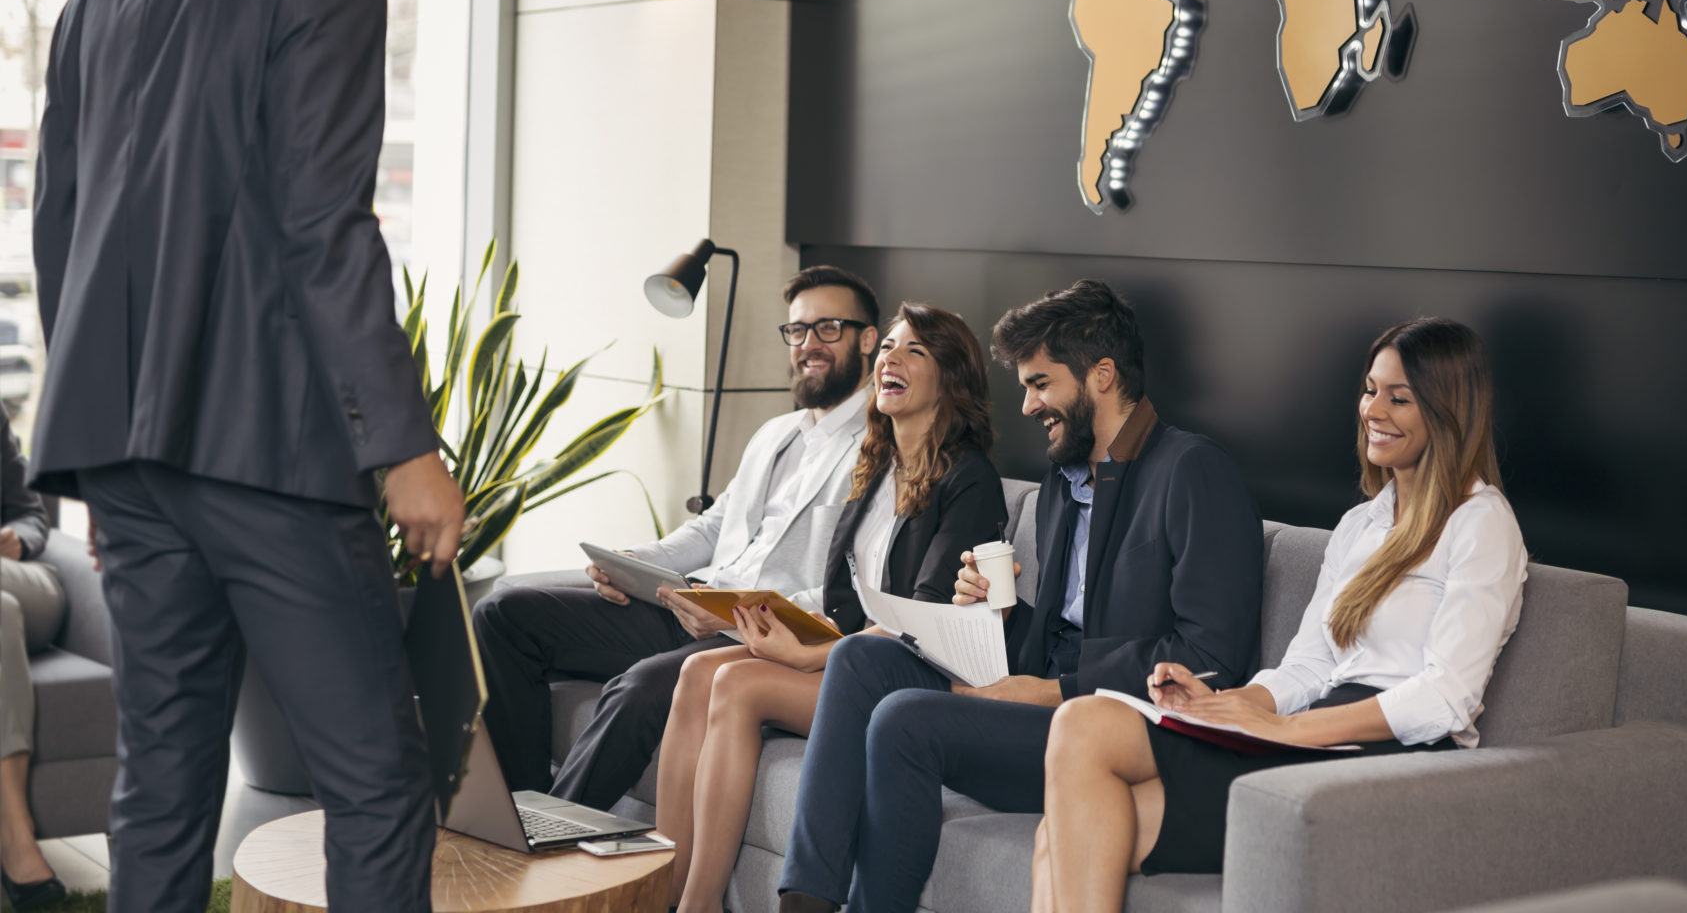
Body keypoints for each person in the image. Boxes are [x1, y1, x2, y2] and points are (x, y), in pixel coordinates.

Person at [29, 0, 465, 913]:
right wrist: (407, 446)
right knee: (376, 778)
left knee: (162, 783)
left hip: (126, 458)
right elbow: (323, 220)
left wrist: (102, 449)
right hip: (267, 445)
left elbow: (61, 239)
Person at [777, 279, 1266, 913]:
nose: (1029, 406)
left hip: (1108, 730)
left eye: (1041, 384)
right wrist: (1001, 617)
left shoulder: (1194, 471)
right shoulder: (1061, 483)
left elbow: (1211, 655)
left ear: (1102, 376)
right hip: (1037, 702)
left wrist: (1055, 690)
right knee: (859, 660)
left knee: (905, 720)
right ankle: (805, 903)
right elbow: (1059, 637)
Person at [1033, 318, 1527, 912]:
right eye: (1370, 390)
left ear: (1450, 412)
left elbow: (1447, 698)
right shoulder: (1360, 525)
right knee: (1071, 770)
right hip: (1309, 738)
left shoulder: (1482, 521)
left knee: (1070, 790)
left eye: (1400, 398)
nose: (1375, 410)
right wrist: (1230, 703)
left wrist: (1291, 730)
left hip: (1394, 759)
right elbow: (1307, 669)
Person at [472, 266, 884, 809]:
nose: (809, 344)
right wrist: (634, 562)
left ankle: (550, 848)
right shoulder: (777, 434)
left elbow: (852, 592)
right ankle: (518, 811)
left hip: (754, 637)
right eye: (797, 331)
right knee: (502, 615)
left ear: (868, 340)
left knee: (639, 688)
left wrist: (735, 613)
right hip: (687, 607)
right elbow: (714, 527)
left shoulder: (881, 449)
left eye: (828, 328)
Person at [657, 302, 1008, 913]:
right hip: (852, 654)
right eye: (889, 347)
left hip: (912, 678)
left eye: (914, 351)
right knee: (695, 672)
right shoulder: (874, 467)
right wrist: (780, 625)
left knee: (739, 686)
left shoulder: (969, 479)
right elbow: (848, 602)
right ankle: (661, 893)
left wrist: (805, 653)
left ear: (949, 380)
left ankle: (699, 903)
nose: (889, 359)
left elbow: (920, 623)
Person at [1, 409, 67, 909]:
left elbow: (31, 511)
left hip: (22, 583)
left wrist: (18, 538)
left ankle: (14, 836)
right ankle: (16, 843)